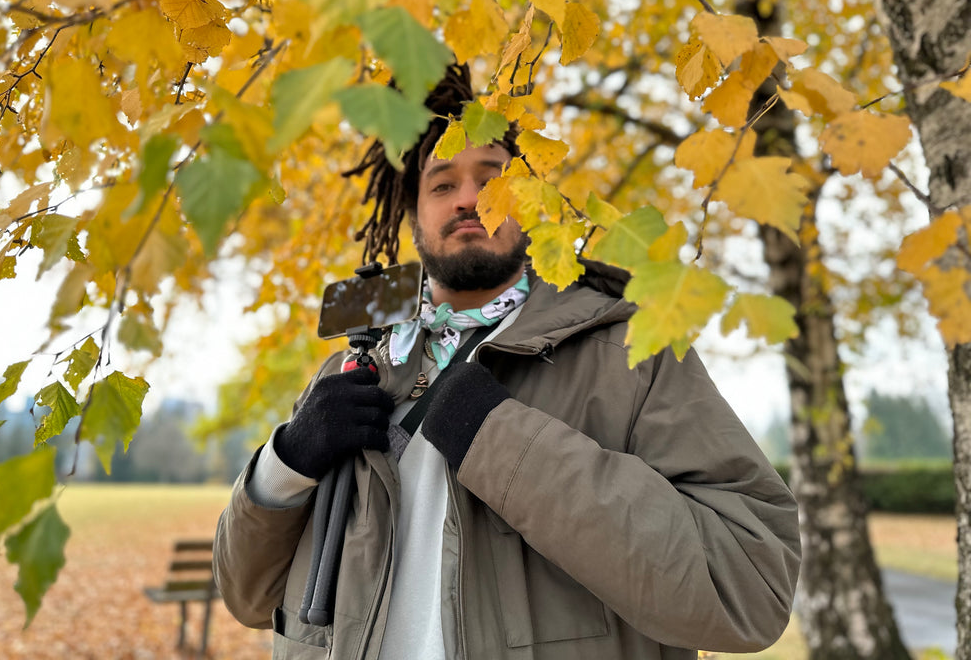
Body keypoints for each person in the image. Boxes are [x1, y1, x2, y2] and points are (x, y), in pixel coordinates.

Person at [213, 64, 801, 660]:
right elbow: (248, 597)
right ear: (412, 214)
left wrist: (499, 439)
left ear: (533, 200)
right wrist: (285, 466)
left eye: (492, 179)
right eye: (442, 183)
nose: (468, 199)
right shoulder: (352, 371)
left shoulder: (633, 350)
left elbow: (749, 591)